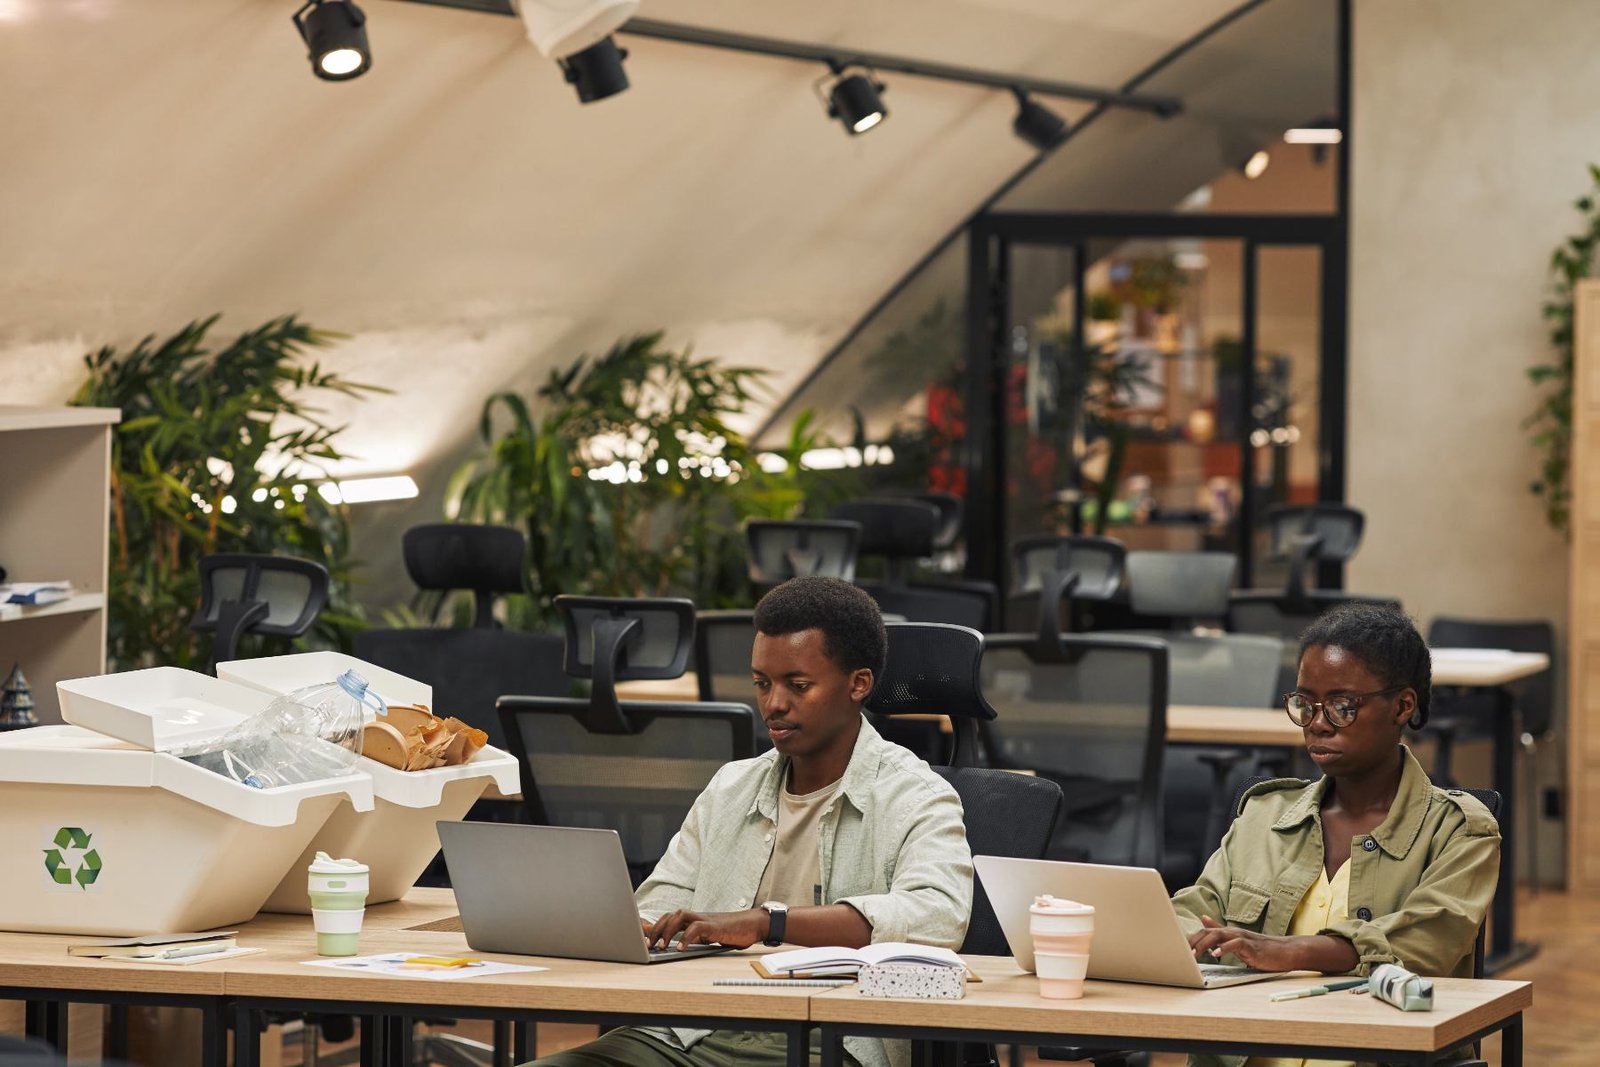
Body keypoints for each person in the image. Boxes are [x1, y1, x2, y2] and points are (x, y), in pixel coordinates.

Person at [526, 576, 973, 1067]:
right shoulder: (731, 787)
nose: (773, 703)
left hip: (830, 1040)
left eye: (798, 686)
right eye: (762, 683)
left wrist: (766, 922)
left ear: (858, 684)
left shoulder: (917, 795)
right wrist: (628, 925)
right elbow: (660, 901)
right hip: (691, 1028)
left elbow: (937, 916)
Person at [1171, 602, 1500, 1067]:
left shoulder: (1459, 830)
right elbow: (1191, 914)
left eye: (1343, 707)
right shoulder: (1264, 815)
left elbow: (1424, 944)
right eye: (1305, 705)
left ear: (1402, 706)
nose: (1318, 723)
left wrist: (1286, 952)